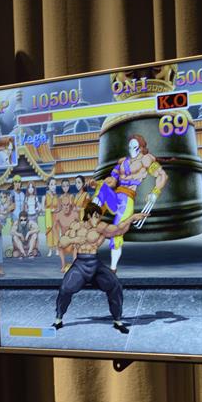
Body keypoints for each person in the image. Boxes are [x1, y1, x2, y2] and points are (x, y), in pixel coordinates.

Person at [53, 203, 149, 333]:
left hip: (95, 263)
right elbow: (62, 242)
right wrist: (74, 239)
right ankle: (58, 319)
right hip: (80, 264)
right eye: (96, 216)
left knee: (115, 285)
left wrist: (131, 219)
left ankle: (117, 320)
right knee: (65, 288)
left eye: (99, 216)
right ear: (88, 215)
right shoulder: (77, 226)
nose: (98, 219)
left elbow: (118, 230)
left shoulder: (101, 227)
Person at [94, 134, 168, 271]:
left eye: (134, 146)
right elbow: (112, 180)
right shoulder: (122, 162)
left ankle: (113, 269)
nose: (131, 148)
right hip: (116, 196)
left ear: (140, 147)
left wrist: (155, 192)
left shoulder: (146, 160)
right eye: (130, 146)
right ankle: (90, 220)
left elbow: (162, 175)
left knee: (117, 232)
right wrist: (99, 184)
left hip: (127, 200)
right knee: (101, 190)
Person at [53, 192, 80, 272]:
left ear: (70, 205)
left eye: (67, 205)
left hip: (73, 238)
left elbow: (80, 225)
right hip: (64, 238)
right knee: (59, 245)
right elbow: (54, 227)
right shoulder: (58, 215)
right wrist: (57, 238)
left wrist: (77, 237)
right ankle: (63, 264)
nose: (66, 207)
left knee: (76, 246)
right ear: (61, 205)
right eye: (64, 205)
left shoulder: (75, 214)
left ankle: (74, 265)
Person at [0, 191, 13, 276]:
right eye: (1, 197)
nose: (3, 199)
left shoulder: (7, 207)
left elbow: (3, 217)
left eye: (4, 197)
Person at [44, 178, 60, 256]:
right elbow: (42, 208)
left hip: (55, 216)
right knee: (49, 232)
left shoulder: (56, 196)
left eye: (55, 184)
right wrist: (49, 210)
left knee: (56, 232)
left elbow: (59, 207)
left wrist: (56, 210)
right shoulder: (45, 196)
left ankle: (57, 249)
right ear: (48, 186)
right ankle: (50, 250)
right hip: (48, 217)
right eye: (52, 184)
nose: (54, 186)